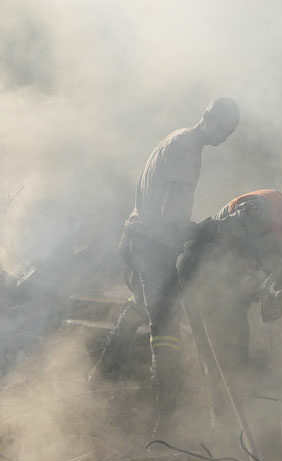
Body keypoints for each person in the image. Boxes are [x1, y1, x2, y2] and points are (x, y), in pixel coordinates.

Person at [97, 98, 240, 422]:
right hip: (151, 245)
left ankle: (104, 370)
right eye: (223, 128)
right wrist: (202, 230)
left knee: (140, 303)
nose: (224, 137)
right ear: (207, 117)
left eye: (229, 133)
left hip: (137, 238)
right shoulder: (186, 150)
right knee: (166, 330)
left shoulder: (178, 140)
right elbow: (170, 213)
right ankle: (167, 418)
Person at [177, 176, 282, 421]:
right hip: (204, 279)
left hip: (234, 294)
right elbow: (224, 246)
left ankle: (234, 421)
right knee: (221, 359)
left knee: (236, 358)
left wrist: (279, 301)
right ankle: (224, 425)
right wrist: (247, 278)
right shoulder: (263, 207)